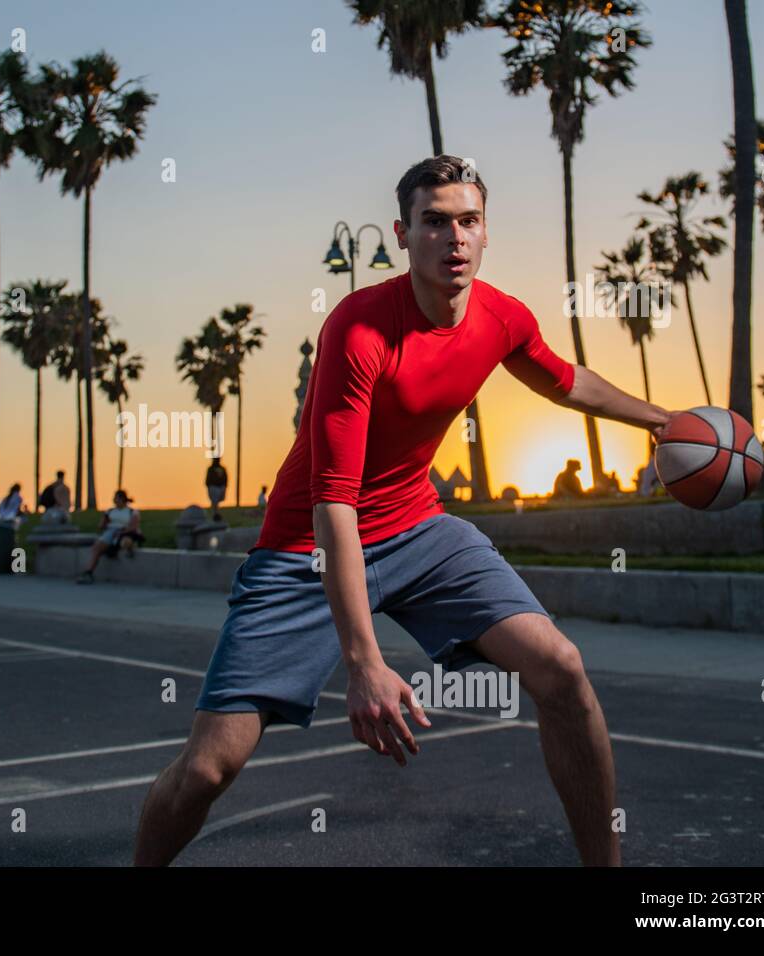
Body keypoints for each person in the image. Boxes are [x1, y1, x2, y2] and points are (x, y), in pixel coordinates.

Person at [134, 156, 682, 867]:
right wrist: (363, 662)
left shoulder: (503, 316)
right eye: (434, 222)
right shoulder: (359, 330)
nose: (453, 238)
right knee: (211, 768)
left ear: (485, 234)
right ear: (402, 233)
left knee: (563, 671)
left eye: (468, 221)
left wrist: (664, 421)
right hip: (308, 547)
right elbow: (334, 499)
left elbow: (565, 381)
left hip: (418, 529)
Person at [76, 490, 143, 584]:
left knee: (125, 542)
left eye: (117, 498)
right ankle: (88, 572)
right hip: (111, 531)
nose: (115, 501)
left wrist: (121, 532)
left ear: (122, 499)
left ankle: (129, 548)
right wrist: (105, 525)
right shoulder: (110, 511)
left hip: (125, 533)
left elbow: (133, 527)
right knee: (97, 547)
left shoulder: (132, 512)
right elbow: (101, 525)